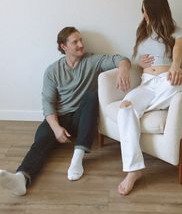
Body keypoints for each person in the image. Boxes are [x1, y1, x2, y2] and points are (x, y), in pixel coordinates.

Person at [0, 26, 130, 196]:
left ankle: (78, 157)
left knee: (92, 96)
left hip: (81, 118)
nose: (81, 45)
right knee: (41, 141)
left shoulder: (92, 60)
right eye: (75, 42)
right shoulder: (52, 70)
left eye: (81, 40)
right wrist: (55, 128)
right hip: (59, 118)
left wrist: (123, 69)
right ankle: (21, 177)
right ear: (63, 47)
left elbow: (121, 59)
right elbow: (47, 102)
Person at [117, 0, 182, 196]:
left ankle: (140, 110)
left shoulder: (176, 31)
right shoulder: (142, 32)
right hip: (147, 84)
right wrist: (139, 63)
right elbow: (139, 60)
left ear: (155, 10)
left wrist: (175, 65)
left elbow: (179, 48)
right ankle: (134, 170)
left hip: (168, 81)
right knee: (124, 108)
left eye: (145, 9)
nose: (143, 14)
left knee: (180, 84)